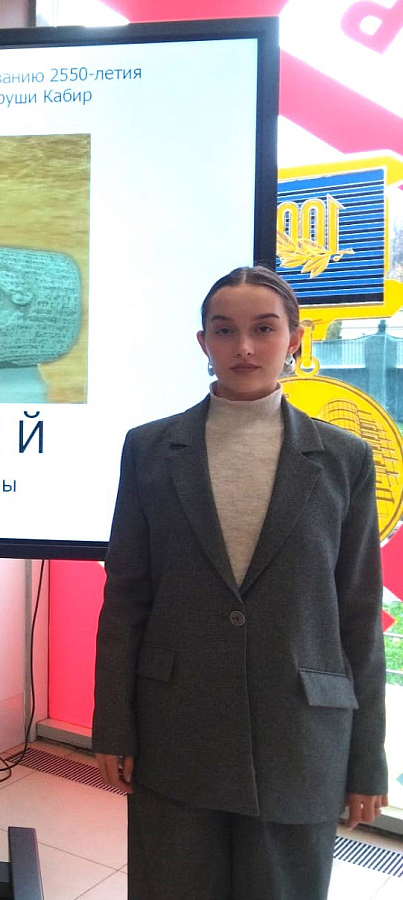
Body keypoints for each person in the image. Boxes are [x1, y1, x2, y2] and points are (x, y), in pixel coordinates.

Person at [92, 265, 388, 900]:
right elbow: (126, 600)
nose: (245, 347)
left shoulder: (344, 459)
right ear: (204, 342)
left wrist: (368, 759)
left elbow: (359, 613)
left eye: (264, 329)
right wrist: (113, 725)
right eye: (225, 331)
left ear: (295, 339)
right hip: (177, 726)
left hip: (299, 736)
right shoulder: (149, 448)